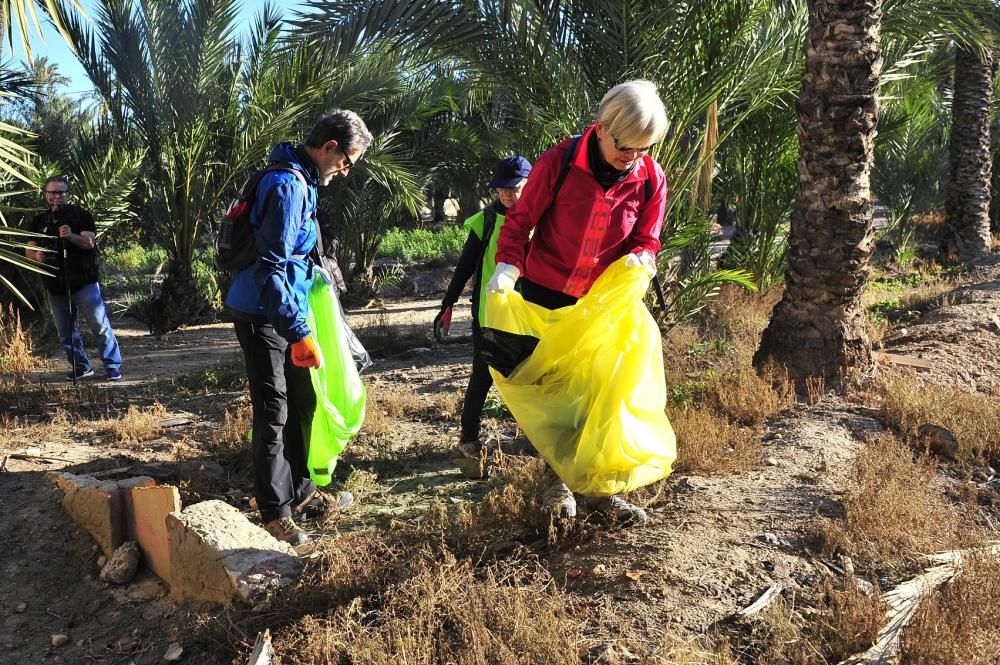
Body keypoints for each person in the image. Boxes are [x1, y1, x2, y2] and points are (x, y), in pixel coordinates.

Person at [488, 79, 670, 526]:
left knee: (602, 396)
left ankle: (600, 489)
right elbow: (521, 221)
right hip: (547, 295)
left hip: (602, 304)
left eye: (644, 149)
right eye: (627, 147)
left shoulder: (650, 178)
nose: (634, 158)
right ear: (603, 127)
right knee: (556, 393)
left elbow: (648, 236)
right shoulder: (560, 162)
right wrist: (508, 266)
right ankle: (557, 481)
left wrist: (644, 257)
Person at [225, 110, 373, 545]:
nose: (345, 171)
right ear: (329, 147)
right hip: (261, 315)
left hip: (284, 310)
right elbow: (271, 268)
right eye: (347, 161)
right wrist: (297, 332)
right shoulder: (287, 186)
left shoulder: (301, 179)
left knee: (303, 401)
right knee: (273, 410)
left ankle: (302, 490)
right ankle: (274, 511)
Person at [434, 156, 532, 477]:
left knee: (533, 377)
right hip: (489, 316)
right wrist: (447, 305)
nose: (507, 194)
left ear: (529, 185)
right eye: (502, 188)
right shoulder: (486, 221)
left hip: (530, 316)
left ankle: (538, 443)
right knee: (482, 376)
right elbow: (464, 268)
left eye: (514, 188)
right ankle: (469, 443)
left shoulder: (541, 223)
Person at [26, 176, 123, 382]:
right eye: (52, 193)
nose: (56, 197)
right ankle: (81, 366)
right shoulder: (39, 220)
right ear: (45, 195)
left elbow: (89, 242)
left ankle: (112, 365)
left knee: (99, 325)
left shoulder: (81, 216)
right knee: (65, 332)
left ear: (67, 195)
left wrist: (71, 236)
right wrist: (37, 255)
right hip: (55, 285)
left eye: (60, 193)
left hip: (82, 282)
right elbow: (29, 250)